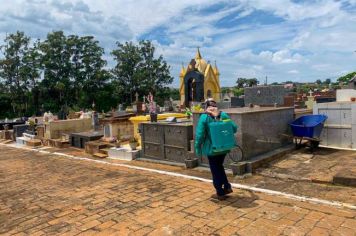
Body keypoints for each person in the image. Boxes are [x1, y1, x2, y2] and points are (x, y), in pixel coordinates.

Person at [195, 98, 238, 200]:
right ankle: (227, 186)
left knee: (215, 169)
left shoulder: (204, 117)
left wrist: (197, 147)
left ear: (206, 107)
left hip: (212, 149)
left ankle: (220, 191)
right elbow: (234, 128)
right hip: (224, 147)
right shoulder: (223, 115)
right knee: (219, 166)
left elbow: (199, 135)